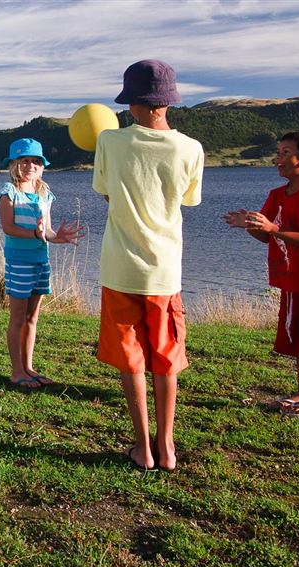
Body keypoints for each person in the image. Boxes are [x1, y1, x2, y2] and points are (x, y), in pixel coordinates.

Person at [93, 60, 204, 472]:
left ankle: (143, 448)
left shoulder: (110, 141)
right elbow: (186, 201)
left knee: (131, 359)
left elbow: (108, 195)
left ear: (133, 102)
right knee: (166, 358)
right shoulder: (191, 148)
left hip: (120, 268)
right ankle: (167, 447)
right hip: (164, 271)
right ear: (168, 101)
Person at [223, 132, 299, 418]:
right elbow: (266, 236)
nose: (277, 159)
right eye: (277, 152)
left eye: (285, 153)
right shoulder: (276, 195)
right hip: (291, 279)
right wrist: (250, 225)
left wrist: (272, 228)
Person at [0, 138, 84, 390]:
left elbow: (46, 230)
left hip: (40, 261)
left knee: (32, 317)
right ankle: (17, 372)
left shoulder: (45, 193)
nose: (30, 166)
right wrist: (37, 234)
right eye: (24, 160)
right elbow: (8, 228)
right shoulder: (8, 191)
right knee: (17, 318)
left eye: (35, 161)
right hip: (19, 261)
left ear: (42, 165)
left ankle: (29, 367)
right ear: (14, 164)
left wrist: (58, 237)